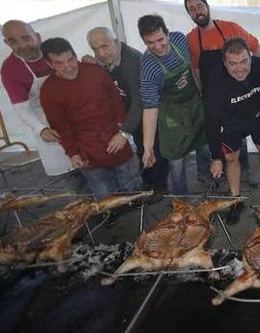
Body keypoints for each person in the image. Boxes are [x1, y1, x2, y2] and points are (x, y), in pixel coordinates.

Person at [39, 38, 138, 198]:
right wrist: (73, 153)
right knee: (102, 189)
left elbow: (116, 101)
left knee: (128, 180)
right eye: (59, 63)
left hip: (114, 135)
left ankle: (135, 205)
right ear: (50, 64)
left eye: (70, 60)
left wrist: (122, 131)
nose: (68, 67)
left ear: (75, 55)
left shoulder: (95, 71)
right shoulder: (48, 91)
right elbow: (61, 126)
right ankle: (108, 217)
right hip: (86, 147)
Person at [207, 38, 260, 224]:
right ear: (224, 63)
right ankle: (236, 200)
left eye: (244, 61)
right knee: (232, 158)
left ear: (251, 57)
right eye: (233, 64)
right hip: (230, 121)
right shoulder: (215, 81)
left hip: (255, 115)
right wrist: (215, 157)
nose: (240, 68)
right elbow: (211, 121)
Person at [83, 27, 169, 202]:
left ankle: (159, 187)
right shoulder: (105, 60)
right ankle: (148, 181)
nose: (101, 53)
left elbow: (140, 100)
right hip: (133, 115)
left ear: (115, 42)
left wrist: (124, 132)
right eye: (95, 49)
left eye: (105, 46)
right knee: (142, 147)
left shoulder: (134, 61)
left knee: (156, 149)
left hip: (152, 111)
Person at [184, 0, 260, 188]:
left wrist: (250, 79)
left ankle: (243, 172)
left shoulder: (230, 28)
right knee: (212, 135)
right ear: (189, 14)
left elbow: (255, 47)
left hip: (236, 93)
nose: (197, 11)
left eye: (200, 6)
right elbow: (196, 68)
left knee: (239, 134)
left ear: (207, 7)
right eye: (192, 9)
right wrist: (202, 91)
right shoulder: (191, 39)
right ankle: (212, 174)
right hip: (212, 96)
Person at [138, 14, 211, 195]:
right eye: (150, 43)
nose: (157, 46)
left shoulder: (180, 39)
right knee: (176, 159)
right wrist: (148, 148)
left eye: (160, 39)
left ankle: (207, 179)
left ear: (168, 34)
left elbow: (193, 69)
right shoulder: (148, 67)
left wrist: (202, 93)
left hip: (194, 103)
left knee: (204, 144)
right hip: (172, 114)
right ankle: (181, 199)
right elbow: (150, 108)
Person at [1, 20, 74, 176]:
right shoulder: (10, 69)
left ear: (38, 37)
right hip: (44, 121)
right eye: (13, 41)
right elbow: (22, 107)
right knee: (67, 171)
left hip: (72, 111)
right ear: (6, 43)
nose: (22, 45)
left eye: (26, 38)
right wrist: (41, 129)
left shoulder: (53, 52)